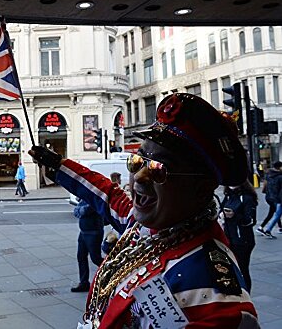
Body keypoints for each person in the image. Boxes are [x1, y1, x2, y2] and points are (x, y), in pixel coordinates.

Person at [29, 93, 258, 328]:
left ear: (200, 189)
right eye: (138, 162)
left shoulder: (211, 290)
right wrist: (58, 166)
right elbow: (108, 195)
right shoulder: (147, 225)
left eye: (159, 169)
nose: (139, 178)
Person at [221, 181, 257, 292]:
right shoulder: (228, 196)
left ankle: (246, 293)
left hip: (242, 240)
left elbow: (250, 220)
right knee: (231, 269)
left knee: (242, 269)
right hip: (228, 238)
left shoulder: (246, 198)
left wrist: (234, 215)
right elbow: (221, 209)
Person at [71, 200, 104, 293]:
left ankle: (113, 272)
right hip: (83, 232)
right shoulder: (85, 198)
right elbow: (77, 211)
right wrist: (80, 210)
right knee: (81, 257)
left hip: (94, 231)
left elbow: (86, 210)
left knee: (96, 258)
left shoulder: (94, 198)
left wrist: (80, 210)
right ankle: (84, 282)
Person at [257, 161, 282, 237]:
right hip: (276, 198)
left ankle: (279, 227)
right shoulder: (280, 176)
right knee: (275, 213)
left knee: (275, 212)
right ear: (279, 167)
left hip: (269, 196)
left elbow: (265, 184)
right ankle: (264, 228)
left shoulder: (268, 174)